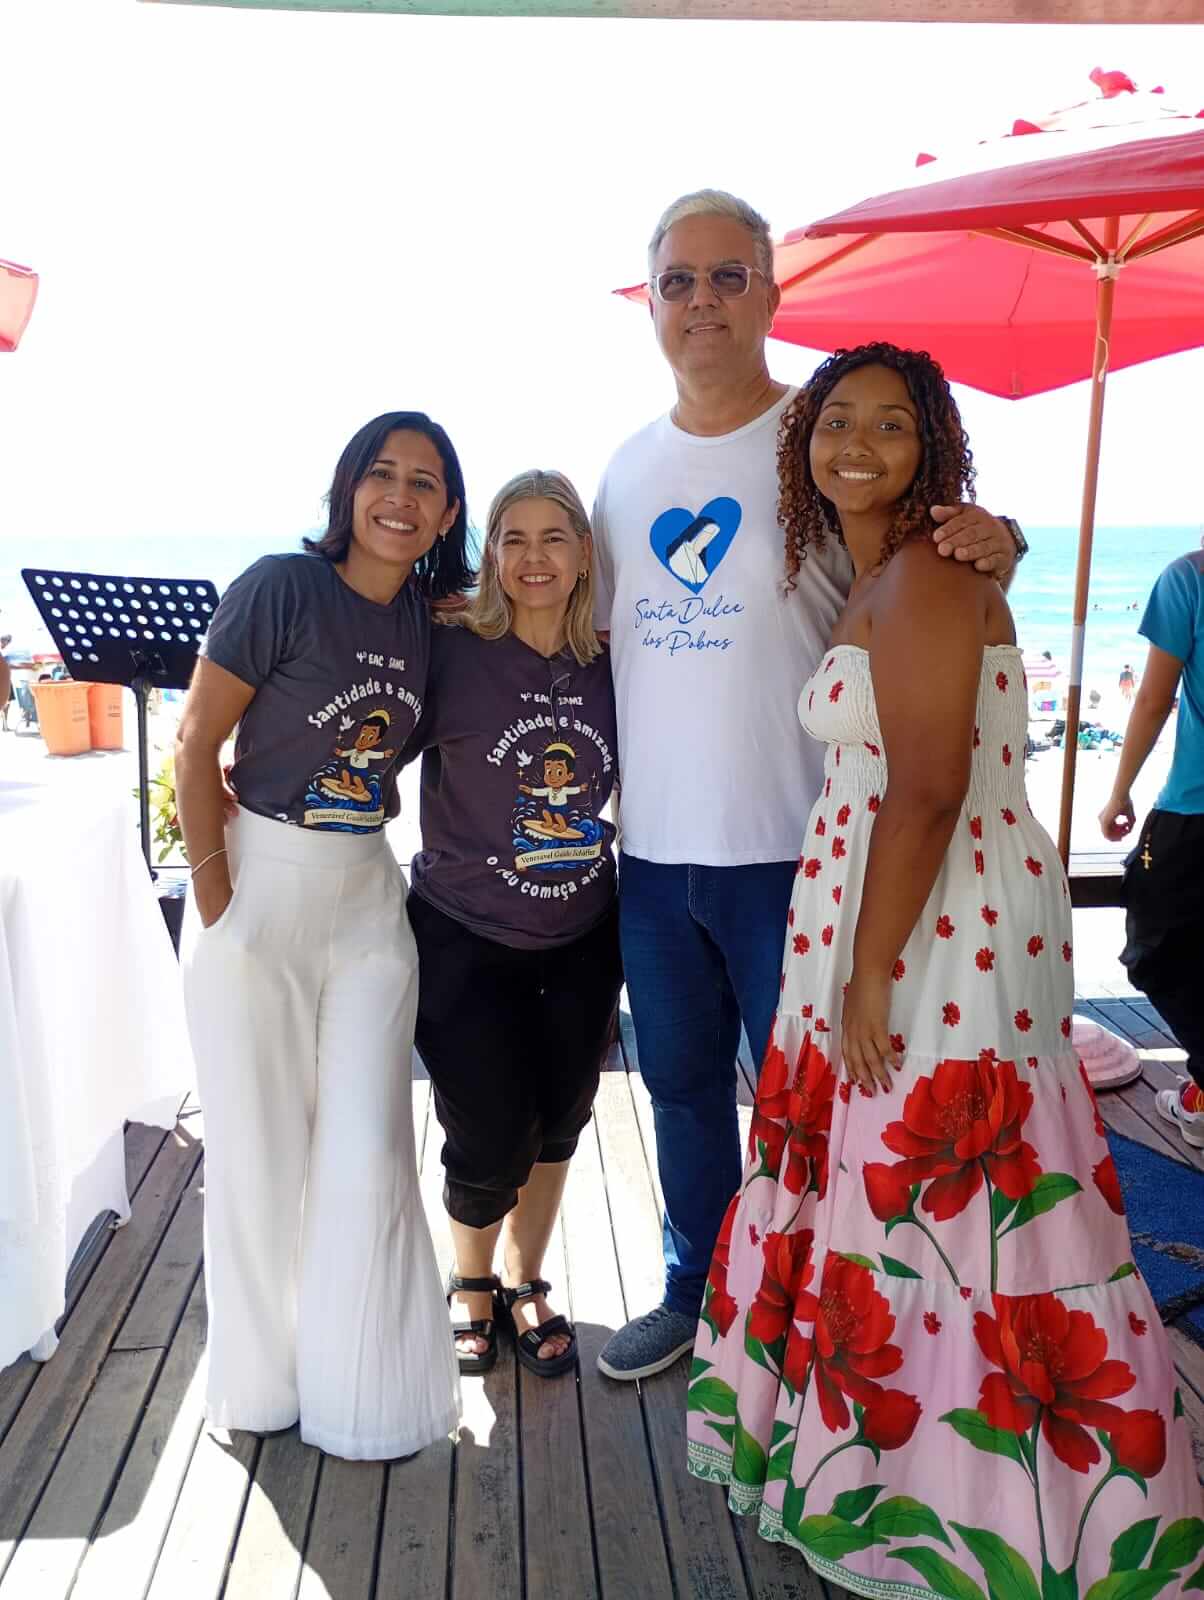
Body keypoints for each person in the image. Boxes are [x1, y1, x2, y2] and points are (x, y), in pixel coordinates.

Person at [687, 343, 1199, 1595]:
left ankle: (981, 1503)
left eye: (890, 424)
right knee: (907, 1197)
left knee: (940, 1198)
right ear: (803, 443)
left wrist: (869, 972)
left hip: (932, 927)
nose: (856, 443)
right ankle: (910, 1471)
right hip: (910, 908)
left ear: (933, 448)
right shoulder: (883, 569)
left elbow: (922, 789)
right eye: (835, 420)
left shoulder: (921, 572)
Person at [591, 189, 1024, 1381]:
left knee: (822, 1102)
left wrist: (1000, 535)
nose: (702, 301)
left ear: (772, 295)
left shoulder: (824, 438)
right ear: (651, 304)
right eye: (678, 280)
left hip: (799, 850)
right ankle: (698, 1290)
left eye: (728, 276)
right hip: (652, 856)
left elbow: (928, 558)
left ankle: (812, 1309)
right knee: (680, 1091)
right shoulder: (623, 469)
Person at [174, 412, 470, 1459]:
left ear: (447, 513)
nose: (400, 496)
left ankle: (362, 1398)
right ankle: (257, 1388)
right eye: (381, 473)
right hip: (258, 884)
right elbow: (195, 743)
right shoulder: (280, 588)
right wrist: (220, 903)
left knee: (367, 1155)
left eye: (425, 482)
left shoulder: (435, 625)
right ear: (348, 488)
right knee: (255, 1154)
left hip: (368, 901)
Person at [406, 470, 621, 1378]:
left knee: (560, 1119)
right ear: (490, 553)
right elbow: (361, 719)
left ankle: (528, 1281)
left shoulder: (614, 658)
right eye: (514, 539)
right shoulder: (451, 650)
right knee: (488, 1131)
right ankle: (472, 1281)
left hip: (583, 937)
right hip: (464, 933)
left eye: (554, 537)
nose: (535, 558)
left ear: (584, 554)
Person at [1100, 544, 1204, 1147]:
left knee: (1151, 947)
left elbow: (1153, 698)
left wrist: (1118, 793)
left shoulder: (1190, 577)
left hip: (1195, 807)